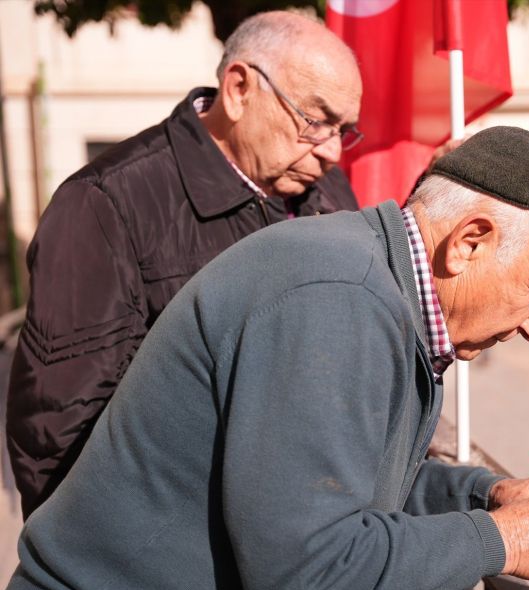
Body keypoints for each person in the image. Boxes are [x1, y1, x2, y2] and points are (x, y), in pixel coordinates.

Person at [1, 126, 529, 590]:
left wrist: (481, 496)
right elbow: (304, 568)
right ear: (469, 241)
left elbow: (329, 486)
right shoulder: (340, 299)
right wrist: (505, 542)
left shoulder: (368, 280)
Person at [5, 11, 364, 517]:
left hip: (298, 544)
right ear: (239, 89)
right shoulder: (106, 203)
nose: (331, 150)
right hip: (169, 564)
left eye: (344, 130)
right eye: (315, 121)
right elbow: (57, 431)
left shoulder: (326, 189)